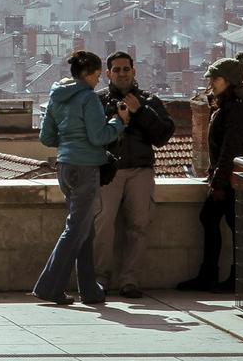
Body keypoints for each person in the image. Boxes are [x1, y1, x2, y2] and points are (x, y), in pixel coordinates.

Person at [34, 50, 131, 306]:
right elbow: (99, 137)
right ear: (88, 74)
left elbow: (46, 138)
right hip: (86, 167)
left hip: (65, 167)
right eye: (98, 75)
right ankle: (49, 286)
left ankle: (89, 288)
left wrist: (67, 141)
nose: (99, 80)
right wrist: (118, 122)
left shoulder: (56, 97)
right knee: (76, 229)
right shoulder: (88, 99)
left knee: (84, 227)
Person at [95, 51, 176, 299]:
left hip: (140, 170)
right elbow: (90, 135)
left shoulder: (149, 101)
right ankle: (99, 277)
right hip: (108, 171)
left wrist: (140, 112)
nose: (121, 74)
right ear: (108, 74)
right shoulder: (96, 102)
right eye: (116, 70)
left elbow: (162, 136)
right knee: (103, 225)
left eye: (126, 69)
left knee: (138, 225)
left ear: (134, 71)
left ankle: (130, 279)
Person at [178, 53, 243, 293]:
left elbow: (229, 149)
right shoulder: (232, 106)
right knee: (227, 223)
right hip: (228, 178)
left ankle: (221, 276)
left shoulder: (233, 109)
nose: (211, 83)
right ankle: (227, 276)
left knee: (219, 220)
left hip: (230, 180)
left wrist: (219, 182)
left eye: (216, 79)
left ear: (229, 81)